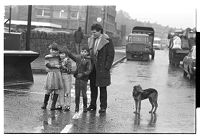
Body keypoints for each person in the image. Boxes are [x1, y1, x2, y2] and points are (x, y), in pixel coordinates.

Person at [87, 23, 115, 113]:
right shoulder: (91, 39)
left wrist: (107, 67)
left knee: (102, 88)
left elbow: (111, 55)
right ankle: (92, 105)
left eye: (94, 32)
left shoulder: (107, 40)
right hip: (93, 68)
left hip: (102, 68)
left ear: (100, 31)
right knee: (93, 87)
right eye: (92, 32)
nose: (93, 34)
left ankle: (103, 107)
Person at [65, 46, 92, 114]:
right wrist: (67, 51)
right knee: (77, 94)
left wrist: (83, 74)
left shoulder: (88, 60)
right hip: (77, 78)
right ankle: (76, 107)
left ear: (88, 53)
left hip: (84, 79)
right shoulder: (79, 58)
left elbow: (89, 70)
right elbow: (72, 56)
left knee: (84, 94)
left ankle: (85, 107)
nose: (83, 53)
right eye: (82, 51)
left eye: (85, 52)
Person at [41, 42, 63, 110]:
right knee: (49, 90)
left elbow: (61, 64)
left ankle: (53, 105)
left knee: (56, 90)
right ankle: (45, 103)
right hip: (51, 74)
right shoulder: (47, 57)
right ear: (50, 50)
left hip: (57, 74)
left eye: (55, 50)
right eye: (52, 50)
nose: (53, 51)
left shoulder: (59, 57)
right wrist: (55, 66)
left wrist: (60, 65)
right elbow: (48, 65)